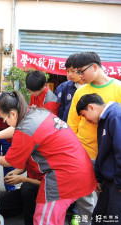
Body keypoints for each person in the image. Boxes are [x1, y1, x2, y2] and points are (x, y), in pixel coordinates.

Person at [0, 91, 97, 225]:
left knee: (45, 220)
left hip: (64, 176)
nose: (6, 123)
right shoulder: (37, 113)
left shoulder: (25, 130)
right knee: (88, 218)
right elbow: (18, 128)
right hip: (84, 167)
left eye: (5, 119)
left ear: (13, 114)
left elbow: (10, 160)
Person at [67, 52, 121, 224]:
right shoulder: (80, 92)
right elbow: (71, 126)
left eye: (81, 71)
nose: (79, 76)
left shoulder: (118, 89)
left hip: (112, 160)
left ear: (95, 66)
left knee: (109, 205)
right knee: (86, 202)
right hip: (85, 156)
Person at [76, 93, 121, 224]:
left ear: (91, 107)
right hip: (109, 181)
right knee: (99, 217)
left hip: (117, 183)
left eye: (84, 115)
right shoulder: (105, 119)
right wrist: (99, 178)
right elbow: (103, 152)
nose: (86, 120)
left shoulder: (116, 116)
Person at [55, 53, 85, 122]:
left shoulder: (91, 87)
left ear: (81, 69)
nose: (69, 74)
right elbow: (61, 111)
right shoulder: (63, 87)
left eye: (73, 71)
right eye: (68, 71)